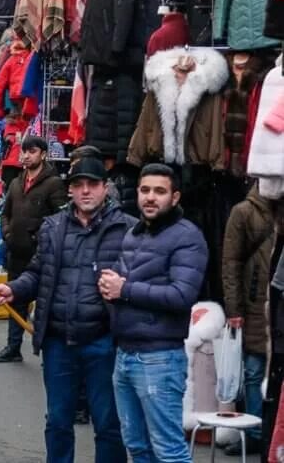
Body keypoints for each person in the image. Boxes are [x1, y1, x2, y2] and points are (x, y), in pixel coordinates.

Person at [0, 156, 130, 463]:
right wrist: (14, 288)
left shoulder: (126, 230)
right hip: (58, 339)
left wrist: (124, 287)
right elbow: (37, 272)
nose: (85, 191)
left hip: (104, 341)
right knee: (57, 421)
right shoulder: (53, 227)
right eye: (78, 185)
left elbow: (136, 281)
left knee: (108, 423)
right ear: (70, 191)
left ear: (105, 188)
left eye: (92, 185)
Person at [100, 163, 208, 463]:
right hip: (125, 354)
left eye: (159, 191)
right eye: (145, 190)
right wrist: (109, 288)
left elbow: (182, 295)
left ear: (175, 197)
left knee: (169, 451)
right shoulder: (134, 233)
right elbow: (125, 285)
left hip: (159, 358)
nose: (150, 197)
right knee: (136, 446)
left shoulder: (188, 237)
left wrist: (125, 289)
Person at [0, 136, 67, 363]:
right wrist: (7, 233)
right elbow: (5, 213)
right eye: (24, 152)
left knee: (46, 300)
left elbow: (60, 218)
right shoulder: (16, 182)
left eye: (31, 151)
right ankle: (13, 347)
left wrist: (39, 236)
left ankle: (48, 350)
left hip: (41, 253)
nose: (25, 156)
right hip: (16, 250)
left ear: (43, 154)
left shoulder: (53, 184)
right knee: (14, 300)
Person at [220, 181, 275, 456]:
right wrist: (234, 309)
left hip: (277, 302)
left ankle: (272, 434)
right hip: (254, 304)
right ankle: (255, 433)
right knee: (254, 371)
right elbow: (231, 263)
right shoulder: (243, 212)